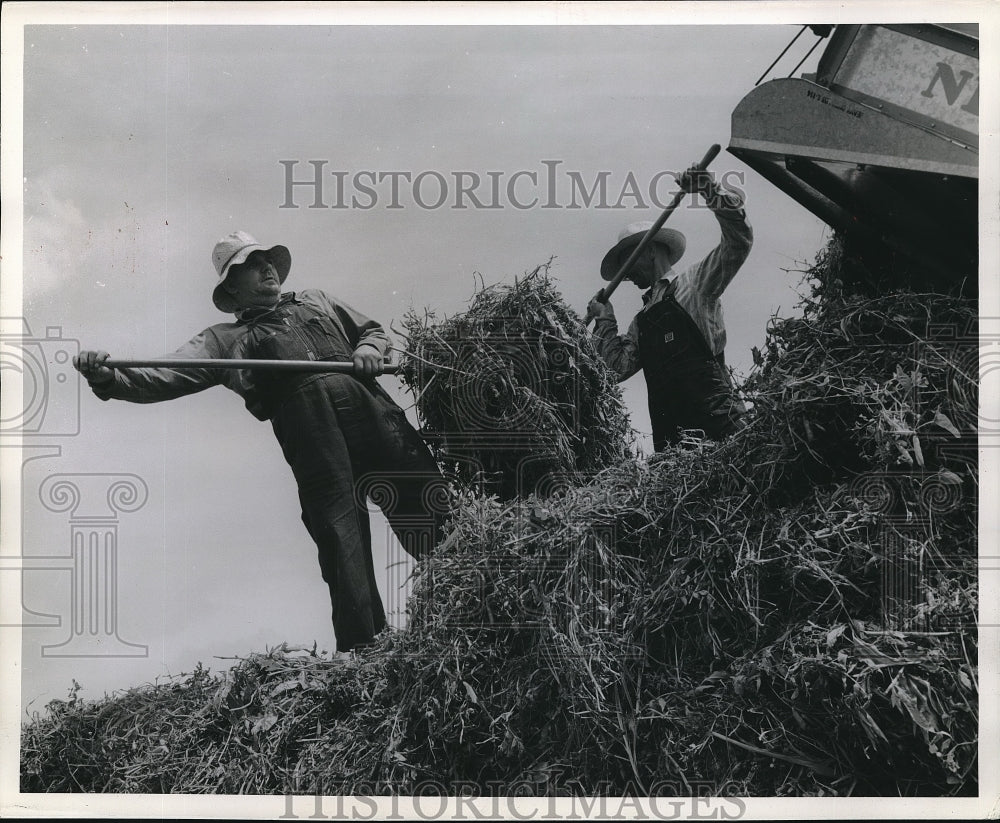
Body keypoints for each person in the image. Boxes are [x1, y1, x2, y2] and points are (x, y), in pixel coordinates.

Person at [73, 231, 446, 653]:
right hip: (314, 440)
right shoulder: (224, 340)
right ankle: (368, 651)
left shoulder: (317, 300)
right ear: (231, 285)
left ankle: (472, 599)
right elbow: (164, 373)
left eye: (269, 259)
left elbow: (373, 331)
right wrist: (106, 376)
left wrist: (368, 349)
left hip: (374, 416)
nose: (268, 267)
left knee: (425, 501)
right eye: (253, 264)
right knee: (340, 538)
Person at [588, 167, 753, 450]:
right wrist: (605, 320)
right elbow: (615, 370)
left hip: (721, 429)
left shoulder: (695, 284)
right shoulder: (641, 322)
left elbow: (738, 242)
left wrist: (710, 191)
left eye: (627, 262)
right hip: (675, 449)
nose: (625, 276)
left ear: (650, 250)